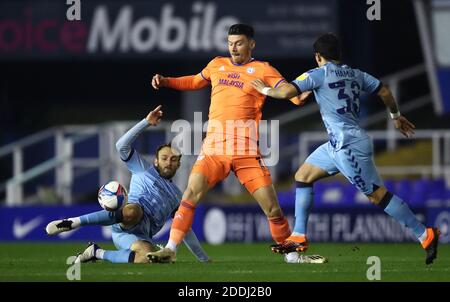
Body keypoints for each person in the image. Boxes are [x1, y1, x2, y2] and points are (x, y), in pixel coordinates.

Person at [251, 33, 440, 265]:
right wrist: (396, 116)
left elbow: (287, 92)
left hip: (347, 145)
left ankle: (424, 234)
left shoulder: (318, 74)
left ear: (318, 56)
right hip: (336, 144)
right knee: (303, 176)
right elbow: (384, 91)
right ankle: (299, 235)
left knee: (376, 195)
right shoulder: (355, 74)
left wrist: (264, 90)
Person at [147, 23, 311, 264]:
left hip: (246, 150)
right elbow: (194, 81)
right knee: (190, 194)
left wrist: (297, 96)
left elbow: (285, 89)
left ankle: (293, 256)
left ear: (251, 44)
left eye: (239, 43)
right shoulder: (216, 64)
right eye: (230, 43)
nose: (233, 48)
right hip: (214, 148)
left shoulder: (263, 69)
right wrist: (167, 81)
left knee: (273, 210)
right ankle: (170, 249)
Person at [45, 105, 209, 264]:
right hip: (125, 221)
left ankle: (96, 253)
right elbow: (121, 146)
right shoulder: (143, 169)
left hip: (139, 238)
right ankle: (73, 222)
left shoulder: (176, 196)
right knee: (134, 210)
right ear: (156, 161)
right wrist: (146, 122)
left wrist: (203, 259)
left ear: (179, 164)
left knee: (149, 259)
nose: (169, 162)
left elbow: (185, 229)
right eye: (164, 158)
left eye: (173, 160)